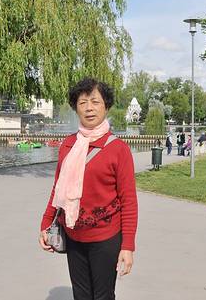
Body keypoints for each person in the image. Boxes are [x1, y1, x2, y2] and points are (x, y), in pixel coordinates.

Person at [39, 78, 138, 300]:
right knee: (81, 295)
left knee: (103, 295)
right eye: (82, 103)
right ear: (76, 108)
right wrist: (46, 223)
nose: (89, 108)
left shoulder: (118, 149)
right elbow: (58, 189)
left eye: (95, 102)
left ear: (106, 106)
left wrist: (128, 246)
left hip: (106, 238)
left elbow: (129, 201)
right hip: (74, 235)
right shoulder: (68, 145)